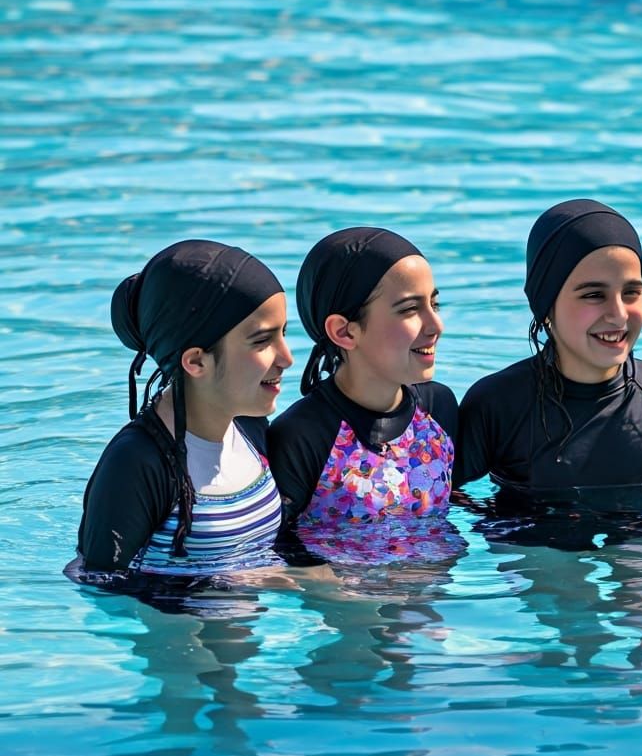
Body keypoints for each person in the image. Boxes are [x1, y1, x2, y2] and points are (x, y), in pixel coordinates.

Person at [454, 198, 642, 528]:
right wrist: (499, 521)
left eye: (631, 293)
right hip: (536, 537)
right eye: (593, 295)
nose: (618, 314)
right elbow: (442, 494)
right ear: (546, 305)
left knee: (640, 573)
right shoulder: (497, 404)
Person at [73, 239, 293, 577]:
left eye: (283, 334)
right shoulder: (136, 464)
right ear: (196, 361)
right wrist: (236, 582)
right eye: (262, 341)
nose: (287, 358)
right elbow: (98, 580)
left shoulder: (249, 426)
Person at [267, 227, 459, 564]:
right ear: (344, 331)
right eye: (410, 309)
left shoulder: (438, 409)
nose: (436, 325)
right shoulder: (303, 435)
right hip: (353, 609)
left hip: (435, 604)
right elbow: (273, 549)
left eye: (434, 303)